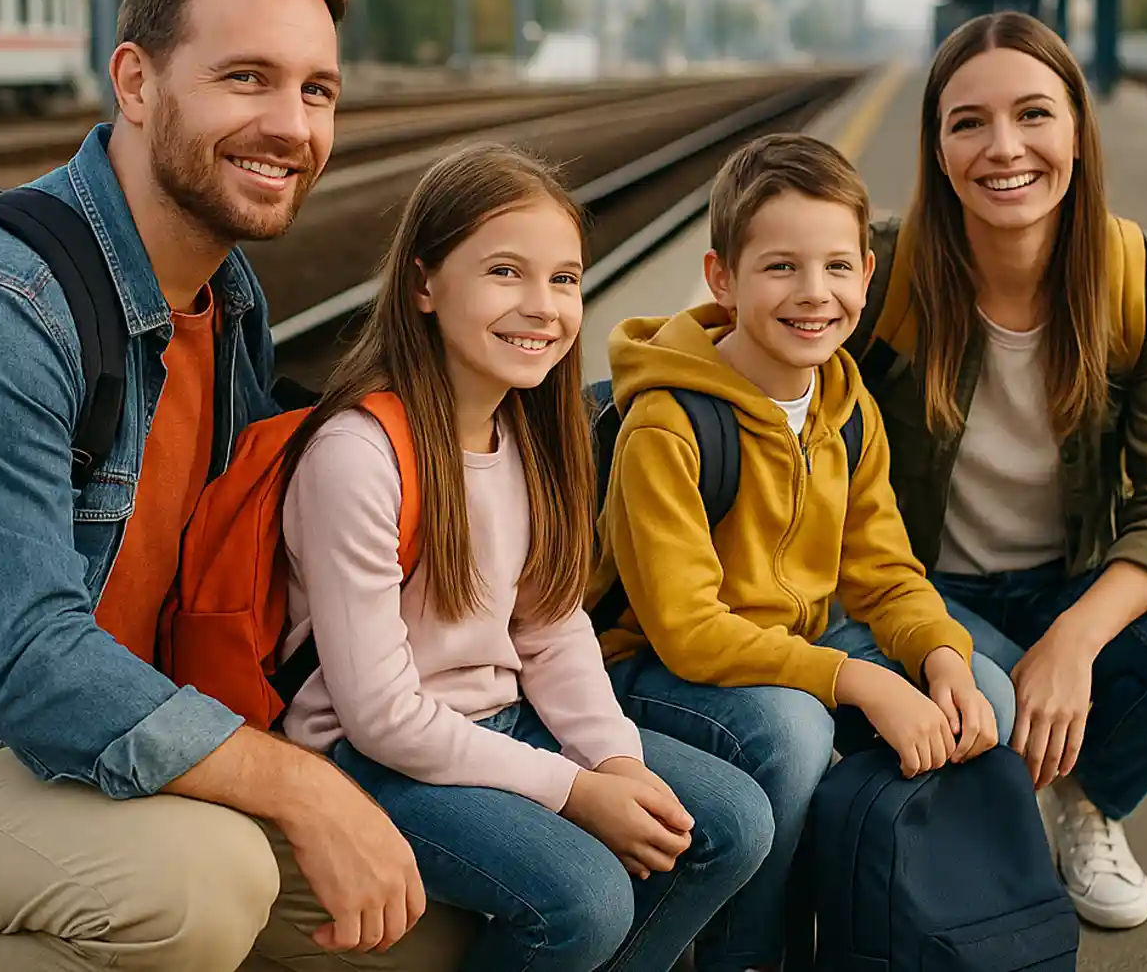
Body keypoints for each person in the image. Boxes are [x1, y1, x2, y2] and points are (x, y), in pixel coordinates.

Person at [0, 0, 475, 971]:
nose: (290, 125)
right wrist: (299, 783)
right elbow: (26, 662)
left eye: (317, 90)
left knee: (433, 931)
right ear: (134, 82)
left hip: (126, 731)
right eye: (246, 78)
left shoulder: (227, 299)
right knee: (197, 887)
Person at [275, 143, 773, 972]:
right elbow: (382, 717)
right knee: (583, 897)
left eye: (565, 279)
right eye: (505, 272)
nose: (542, 306)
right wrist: (574, 789)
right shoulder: (359, 455)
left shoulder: (529, 434)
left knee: (732, 822)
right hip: (373, 759)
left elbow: (551, 628)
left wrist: (612, 756)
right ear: (423, 285)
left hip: (500, 719)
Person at [844, 10, 1147, 930]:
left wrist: (1073, 640)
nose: (1004, 148)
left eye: (1033, 114)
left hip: (1068, 578)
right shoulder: (880, 273)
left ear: (1077, 128)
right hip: (912, 585)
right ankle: (997, 824)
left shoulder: (1138, 281)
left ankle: (1085, 802)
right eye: (968, 122)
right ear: (937, 145)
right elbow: (749, 336)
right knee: (987, 695)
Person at [591, 132, 1015, 972]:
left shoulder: (844, 403)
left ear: (864, 269)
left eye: (835, 267)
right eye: (780, 267)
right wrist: (857, 680)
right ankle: (748, 952)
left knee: (985, 696)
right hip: (659, 667)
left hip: (797, 640)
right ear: (722, 277)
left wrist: (941, 656)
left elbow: (884, 569)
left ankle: (871, 922)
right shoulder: (669, 423)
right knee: (790, 731)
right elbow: (687, 630)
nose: (813, 294)